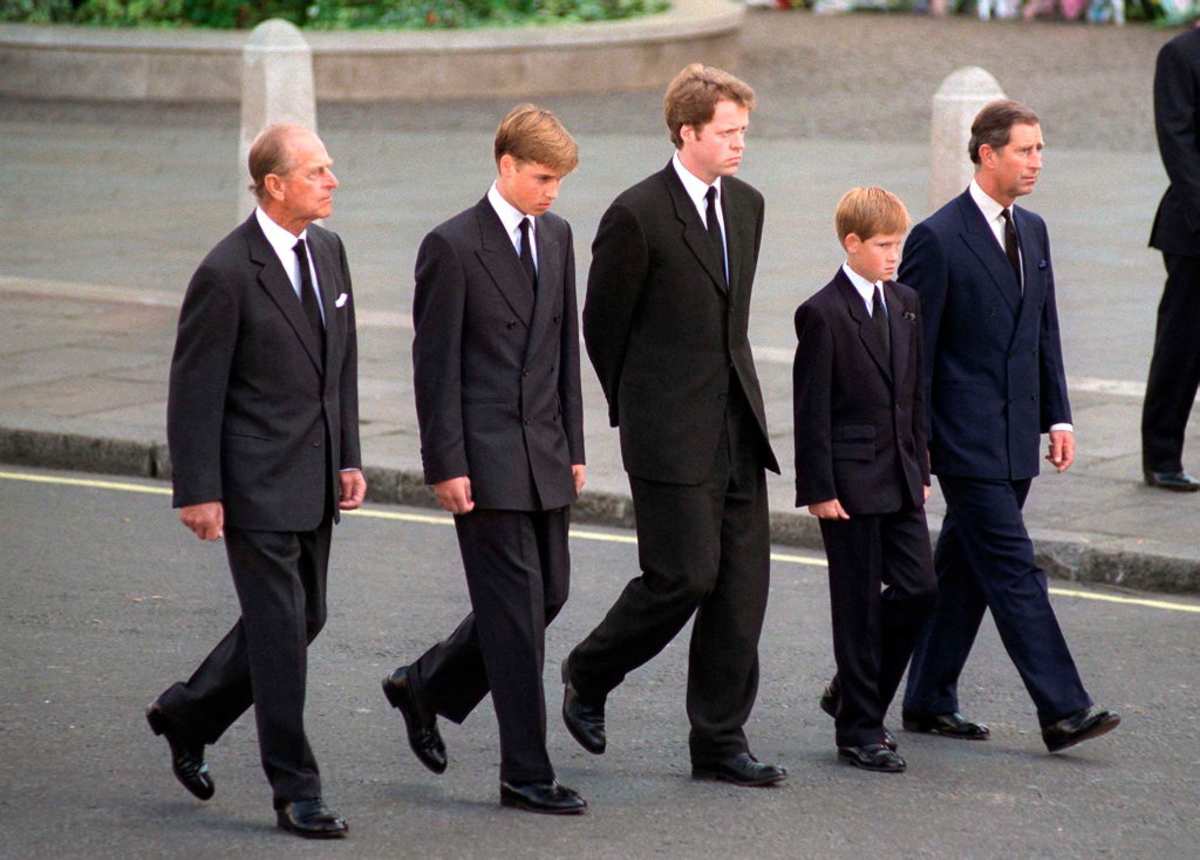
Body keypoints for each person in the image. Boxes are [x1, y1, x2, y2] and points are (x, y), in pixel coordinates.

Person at [561, 64, 786, 788]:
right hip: (668, 431)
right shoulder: (638, 215)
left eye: (743, 132)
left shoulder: (748, 206)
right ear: (687, 132)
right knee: (683, 576)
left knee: (741, 590)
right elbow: (602, 328)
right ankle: (589, 670)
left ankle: (718, 741)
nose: (739, 144)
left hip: (736, 425)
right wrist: (639, 411)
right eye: (727, 133)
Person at [147, 123, 365, 838]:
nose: (333, 180)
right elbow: (194, 389)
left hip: (314, 474)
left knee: (306, 618)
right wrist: (198, 490)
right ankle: (295, 789)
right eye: (318, 171)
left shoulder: (328, 252)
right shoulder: (228, 272)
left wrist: (349, 455)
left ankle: (188, 713)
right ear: (275, 185)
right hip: (253, 483)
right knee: (278, 633)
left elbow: (342, 368)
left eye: (330, 169)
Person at [381, 105, 587, 815]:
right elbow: (432, 369)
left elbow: (565, 351)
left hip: (546, 452)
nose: (552, 191)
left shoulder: (558, 237)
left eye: (559, 179)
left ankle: (426, 685)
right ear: (504, 165)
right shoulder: (452, 245)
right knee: (514, 620)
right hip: (485, 458)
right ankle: (525, 773)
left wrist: (576, 448)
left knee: (548, 596)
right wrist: (445, 463)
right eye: (541, 177)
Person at [899, 100, 1119, 754]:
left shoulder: (1036, 231)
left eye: (1041, 150)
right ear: (987, 153)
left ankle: (916, 693)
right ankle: (1063, 708)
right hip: (963, 442)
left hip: (1017, 432)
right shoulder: (937, 238)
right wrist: (917, 449)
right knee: (1016, 570)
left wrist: (1058, 414)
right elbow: (916, 357)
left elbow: (1042, 331)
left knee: (961, 574)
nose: (1037, 162)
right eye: (1025, 150)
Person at [794, 188, 937, 774]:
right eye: (883, 245)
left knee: (920, 589)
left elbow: (915, 393)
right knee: (855, 605)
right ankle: (859, 730)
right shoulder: (822, 312)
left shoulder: (906, 301)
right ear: (851, 244)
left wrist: (921, 463)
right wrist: (818, 487)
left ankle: (855, 693)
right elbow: (812, 409)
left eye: (898, 243)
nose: (894, 255)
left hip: (901, 473)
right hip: (848, 484)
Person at [1142, 27, 1200, 492]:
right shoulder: (1179, 54)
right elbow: (1176, 142)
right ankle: (1161, 456)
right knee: (1183, 347)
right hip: (1193, 229)